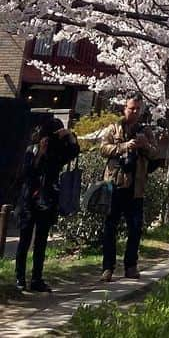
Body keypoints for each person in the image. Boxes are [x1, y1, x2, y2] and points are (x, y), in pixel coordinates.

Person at [14, 114, 78, 293]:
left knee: (41, 241)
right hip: (30, 199)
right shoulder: (32, 149)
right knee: (24, 240)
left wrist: (70, 136)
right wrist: (40, 153)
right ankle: (20, 277)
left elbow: (74, 152)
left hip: (48, 198)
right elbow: (26, 173)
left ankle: (37, 278)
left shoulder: (58, 152)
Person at [100, 94, 159, 282]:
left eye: (137, 109)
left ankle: (131, 266)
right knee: (110, 227)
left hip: (136, 186)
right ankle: (108, 267)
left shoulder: (145, 130)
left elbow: (156, 153)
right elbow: (103, 149)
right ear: (124, 108)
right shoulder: (113, 128)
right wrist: (124, 146)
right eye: (131, 108)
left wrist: (145, 146)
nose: (134, 112)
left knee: (135, 228)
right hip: (116, 184)